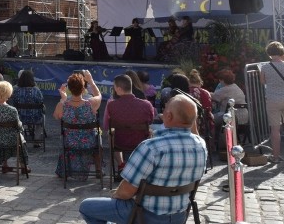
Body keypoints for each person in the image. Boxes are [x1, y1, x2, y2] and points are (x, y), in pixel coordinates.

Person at [78, 95, 208, 224]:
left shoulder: (152, 147)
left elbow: (126, 192)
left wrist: (115, 195)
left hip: (143, 215)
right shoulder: (201, 145)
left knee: (86, 207)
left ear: (169, 116)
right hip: (179, 216)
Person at [54, 70, 102, 179]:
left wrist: (63, 99)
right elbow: (99, 95)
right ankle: (98, 169)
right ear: (84, 88)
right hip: (90, 143)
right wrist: (91, 81)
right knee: (98, 135)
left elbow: (56, 116)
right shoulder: (91, 103)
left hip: (70, 143)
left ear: (69, 89)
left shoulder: (62, 105)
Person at [103, 75, 155, 175]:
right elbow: (150, 121)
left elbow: (106, 126)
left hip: (119, 142)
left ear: (118, 88)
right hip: (141, 142)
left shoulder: (111, 105)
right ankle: (141, 165)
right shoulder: (146, 104)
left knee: (111, 132)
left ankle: (121, 164)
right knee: (150, 131)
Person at [259, 41, 284, 162]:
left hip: (273, 99)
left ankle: (275, 156)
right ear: (282, 52)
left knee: (275, 129)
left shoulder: (265, 67)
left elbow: (263, 82)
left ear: (269, 52)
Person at [0, 80, 29, 174]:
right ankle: (23, 165)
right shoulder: (12, 110)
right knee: (19, 138)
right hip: (10, 140)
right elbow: (19, 127)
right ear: (9, 94)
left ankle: (4, 164)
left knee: (1, 132)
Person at [211, 68, 248, 142]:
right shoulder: (236, 87)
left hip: (231, 117)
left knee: (209, 119)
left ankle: (214, 142)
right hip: (244, 117)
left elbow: (214, 96)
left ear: (222, 80)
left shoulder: (225, 89)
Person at [11, 69, 46, 146]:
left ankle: (22, 138)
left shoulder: (16, 90)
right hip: (35, 117)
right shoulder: (36, 90)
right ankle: (37, 140)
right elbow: (40, 102)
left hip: (20, 117)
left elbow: (13, 102)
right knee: (42, 117)